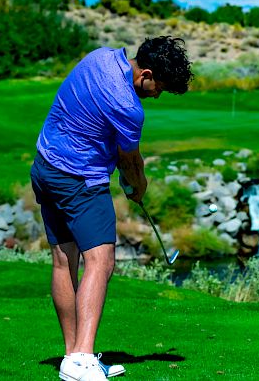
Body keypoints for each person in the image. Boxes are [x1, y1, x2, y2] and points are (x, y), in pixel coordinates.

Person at [30, 36, 193, 380]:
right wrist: (138, 186)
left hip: (45, 167)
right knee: (101, 260)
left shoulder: (99, 57)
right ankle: (84, 358)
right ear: (145, 74)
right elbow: (130, 160)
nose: (157, 95)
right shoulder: (129, 106)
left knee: (64, 261)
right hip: (79, 180)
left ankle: (73, 358)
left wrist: (124, 172)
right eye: (158, 87)